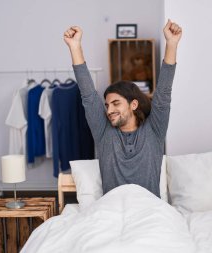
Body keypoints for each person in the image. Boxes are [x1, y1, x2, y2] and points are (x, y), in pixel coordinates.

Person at [63, 19, 182, 198]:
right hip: (112, 211)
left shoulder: (154, 130)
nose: (109, 110)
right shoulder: (104, 133)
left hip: (149, 212)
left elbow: (163, 93)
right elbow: (88, 95)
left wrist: (171, 44)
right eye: (107, 105)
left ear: (133, 105)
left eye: (116, 103)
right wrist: (75, 47)